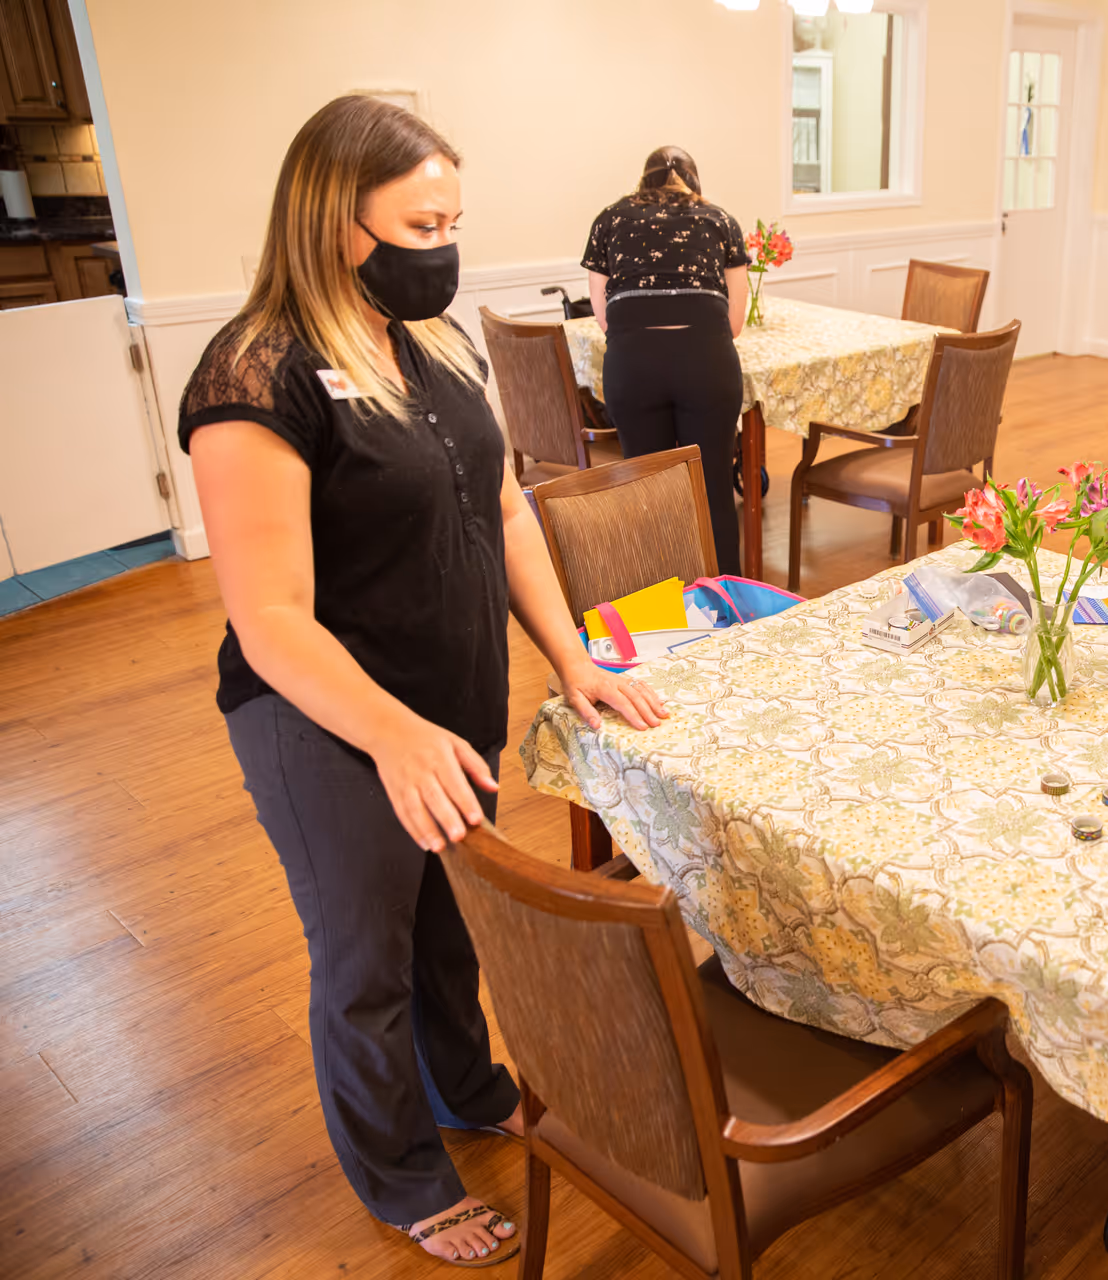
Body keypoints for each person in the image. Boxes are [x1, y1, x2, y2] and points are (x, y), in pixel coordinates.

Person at [179, 96, 667, 1267]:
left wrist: (570, 652)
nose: (442, 245)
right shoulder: (256, 372)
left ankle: (467, 1084)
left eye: (454, 218)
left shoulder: (433, 344)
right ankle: (399, 1173)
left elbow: (502, 507)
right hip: (329, 722)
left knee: (453, 919)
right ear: (335, 221)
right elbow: (271, 616)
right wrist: (395, 733)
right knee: (368, 958)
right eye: (420, 221)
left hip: (449, 696)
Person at [583, 147, 751, 575]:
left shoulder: (610, 219)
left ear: (644, 181)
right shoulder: (719, 220)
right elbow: (734, 322)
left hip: (634, 363)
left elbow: (604, 317)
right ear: (694, 181)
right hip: (707, 360)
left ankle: (656, 602)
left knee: (645, 488)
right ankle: (725, 603)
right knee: (713, 487)